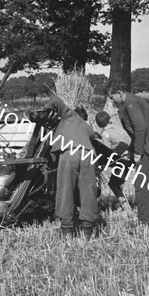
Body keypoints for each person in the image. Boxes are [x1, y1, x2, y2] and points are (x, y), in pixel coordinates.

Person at [107, 83, 149, 226]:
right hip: (148, 144)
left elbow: (140, 128)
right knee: (146, 182)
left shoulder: (131, 104)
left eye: (112, 97)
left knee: (141, 184)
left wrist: (138, 152)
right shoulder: (129, 103)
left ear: (119, 93)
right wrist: (132, 150)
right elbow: (136, 132)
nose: (111, 101)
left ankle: (146, 221)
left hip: (148, 146)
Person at [44, 96, 100, 240]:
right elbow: (94, 138)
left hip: (70, 153)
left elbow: (55, 100)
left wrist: (46, 111)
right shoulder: (88, 127)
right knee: (88, 192)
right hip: (88, 155)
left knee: (65, 190)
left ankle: (67, 231)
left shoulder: (70, 116)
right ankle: (87, 231)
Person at [94, 111, 132, 208]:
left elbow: (106, 153)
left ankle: (126, 208)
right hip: (131, 158)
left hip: (123, 162)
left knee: (113, 184)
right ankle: (125, 204)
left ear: (98, 124)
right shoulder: (117, 127)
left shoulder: (106, 135)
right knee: (117, 181)